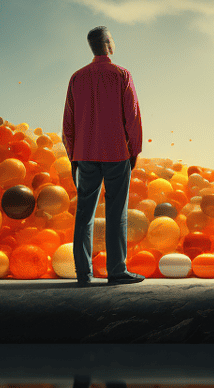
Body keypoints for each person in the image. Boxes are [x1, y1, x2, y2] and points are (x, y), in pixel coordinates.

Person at [63, 25, 145, 285]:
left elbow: (68, 122)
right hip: (117, 153)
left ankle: (83, 273)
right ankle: (116, 271)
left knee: (84, 214)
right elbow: (132, 116)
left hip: (84, 154)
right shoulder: (122, 74)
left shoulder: (76, 78)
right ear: (109, 43)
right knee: (116, 213)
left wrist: (73, 155)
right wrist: (135, 149)